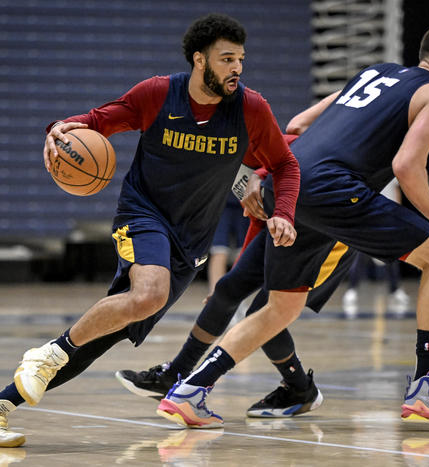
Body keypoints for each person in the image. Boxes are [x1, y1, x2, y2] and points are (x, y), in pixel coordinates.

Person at [0, 13, 301, 447]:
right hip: (143, 215)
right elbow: (95, 122)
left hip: (190, 241)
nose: (237, 68)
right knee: (148, 294)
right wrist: (57, 130)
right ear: (200, 61)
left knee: (104, 335)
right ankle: (46, 354)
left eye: (241, 59)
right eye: (226, 59)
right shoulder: (159, 94)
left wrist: (284, 213)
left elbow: (285, 164)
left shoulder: (251, 109)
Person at [156, 22, 429, 428]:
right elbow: (405, 165)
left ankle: (191, 390)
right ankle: (426, 386)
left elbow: (297, 124)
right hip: (332, 189)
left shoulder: (375, 72)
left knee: (280, 308)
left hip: (289, 184)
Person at [117, 138, 358, 419]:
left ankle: (300, 388)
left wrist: (262, 174)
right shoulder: (215, 155)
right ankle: (175, 373)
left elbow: (297, 150)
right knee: (227, 289)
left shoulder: (252, 133)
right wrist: (240, 270)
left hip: (325, 229)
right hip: (279, 224)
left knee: (264, 313)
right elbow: (259, 213)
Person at [342, 179, 410, 317]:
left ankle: (395, 290)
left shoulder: (392, 169)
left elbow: (397, 191)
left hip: (388, 217)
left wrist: (398, 216)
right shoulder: (367, 169)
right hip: (368, 217)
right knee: (361, 255)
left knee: (392, 256)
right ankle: (351, 291)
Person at [207, 193, 250, 294]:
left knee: (244, 252)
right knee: (219, 250)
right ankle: (215, 294)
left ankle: (238, 297)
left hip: (246, 200)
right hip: (221, 200)